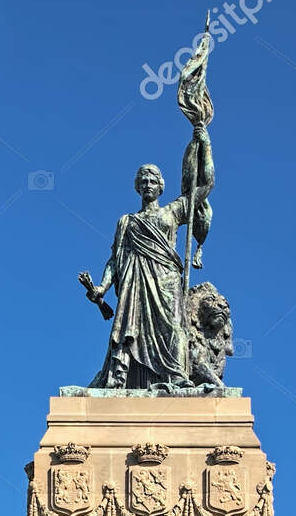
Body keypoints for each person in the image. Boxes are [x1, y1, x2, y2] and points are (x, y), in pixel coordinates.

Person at [86, 124, 217, 390]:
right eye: (143, 181)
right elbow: (115, 259)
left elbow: (206, 184)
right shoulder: (127, 222)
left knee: (173, 329)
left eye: (153, 180)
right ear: (137, 187)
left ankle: (177, 376)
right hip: (135, 284)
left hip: (166, 280)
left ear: (160, 187)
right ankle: (124, 379)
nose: (148, 184)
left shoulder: (173, 211)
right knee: (130, 331)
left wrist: (205, 144)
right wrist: (101, 287)